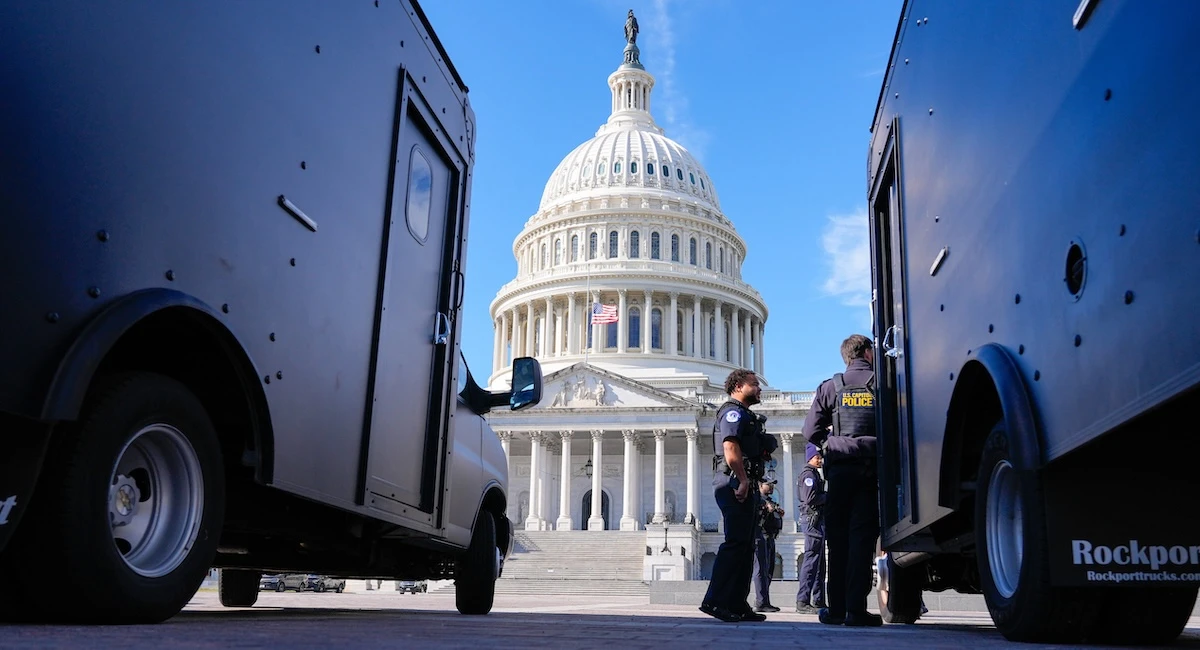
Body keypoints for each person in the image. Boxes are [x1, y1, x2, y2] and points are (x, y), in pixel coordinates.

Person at [803, 334, 882, 627]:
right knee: (862, 541)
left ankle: (835, 610)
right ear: (867, 353)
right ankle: (856, 610)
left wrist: (834, 443)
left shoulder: (831, 387)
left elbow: (810, 431)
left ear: (847, 356)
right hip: (871, 469)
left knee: (837, 542)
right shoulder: (882, 383)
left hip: (840, 472)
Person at [699, 368, 775, 623]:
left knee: (745, 546)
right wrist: (742, 480)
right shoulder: (732, 412)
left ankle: (737, 603)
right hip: (733, 482)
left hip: (746, 483)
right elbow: (730, 447)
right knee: (735, 544)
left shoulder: (746, 415)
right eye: (755, 384)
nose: (760, 388)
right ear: (739, 386)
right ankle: (715, 601)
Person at [795, 442, 827, 614]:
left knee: (819, 562)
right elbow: (810, 498)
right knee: (811, 560)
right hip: (812, 520)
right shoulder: (808, 474)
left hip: (817, 521)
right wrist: (828, 497)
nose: (820, 459)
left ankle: (819, 600)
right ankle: (803, 600)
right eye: (817, 457)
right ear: (810, 458)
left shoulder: (814, 474)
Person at [751, 481, 784, 612]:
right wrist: (765, 509)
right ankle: (761, 602)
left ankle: (765, 600)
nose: (771, 486)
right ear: (760, 485)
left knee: (769, 571)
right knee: (760, 570)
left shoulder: (770, 501)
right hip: (761, 536)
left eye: (772, 484)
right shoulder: (757, 500)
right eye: (767, 484)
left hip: (770, 537)